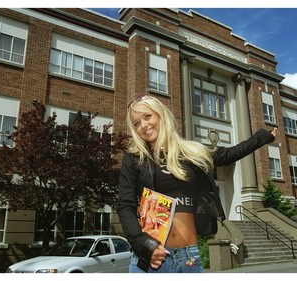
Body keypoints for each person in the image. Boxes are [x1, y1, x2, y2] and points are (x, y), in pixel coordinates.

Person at [117, 94, 277, 273]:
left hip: (189, 257)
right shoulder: (134, 158)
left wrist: (263, 137)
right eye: (136, 123)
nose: (143, 125)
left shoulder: (191, 153)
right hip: (154, 256)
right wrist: (143, 244)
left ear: (161, 115)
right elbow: (125, 205)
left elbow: (230, 154)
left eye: (147, 116)